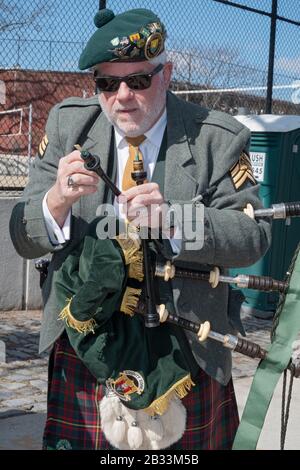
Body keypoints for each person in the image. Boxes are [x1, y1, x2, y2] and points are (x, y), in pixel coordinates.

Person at [9, 7, 271, 450]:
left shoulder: (217, 137)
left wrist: (175, 219)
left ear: (166, 74)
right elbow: (21, 233)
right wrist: (55, 203)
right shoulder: (68, 125)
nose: (122, 96)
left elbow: (252, 236)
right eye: (107, 83)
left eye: (138, 80)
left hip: (187, 345)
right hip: (88, 341)